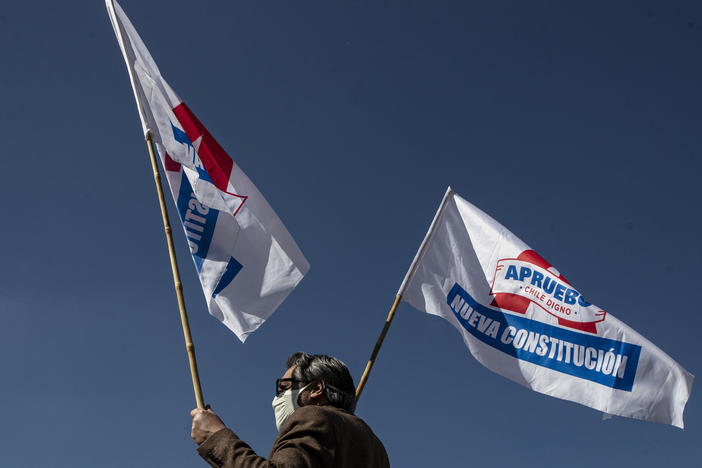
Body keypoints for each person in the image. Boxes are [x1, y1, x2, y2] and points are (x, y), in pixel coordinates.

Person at [191, 352, 390, 468]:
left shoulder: (315, 416)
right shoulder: (377, 449)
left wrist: (216, 437)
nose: (276, 399)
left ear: (316, 389)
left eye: (284, 388)